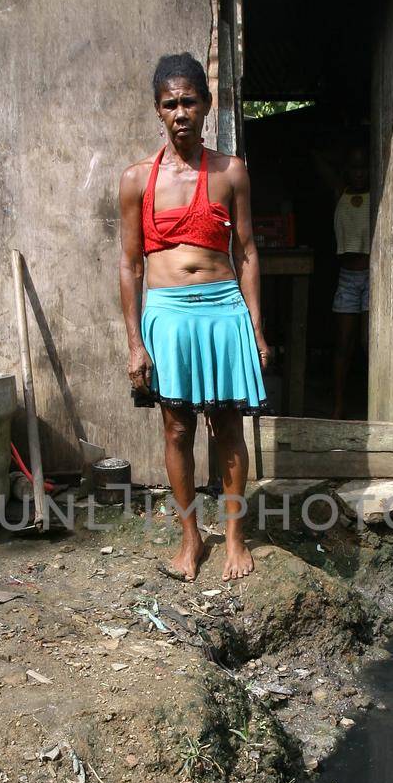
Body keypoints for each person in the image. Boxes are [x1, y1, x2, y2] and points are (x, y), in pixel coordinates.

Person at [119, 53, 270, 582]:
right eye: (169, 103)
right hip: (168, 316)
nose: (179, 111)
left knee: (227, 424)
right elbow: (130, 263)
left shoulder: (231, 172)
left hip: (222, 310)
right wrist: (135, 341)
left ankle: (233, 535)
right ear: (158, 112)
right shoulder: (137, 179)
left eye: (188, 101)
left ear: (206, 106)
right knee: (177, 428)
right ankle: (190, 537)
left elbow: (247, 252)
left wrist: (256, 327)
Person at [331, 145, 371, 419]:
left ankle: (374, 405)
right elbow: (317, 156)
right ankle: (338, 406)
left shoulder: (378, 195)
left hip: (373, 276)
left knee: (370, 344)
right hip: (347, 277)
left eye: (363, 167)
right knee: (343, 345)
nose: (358, 174)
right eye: (353, 167)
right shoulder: (340, 194)